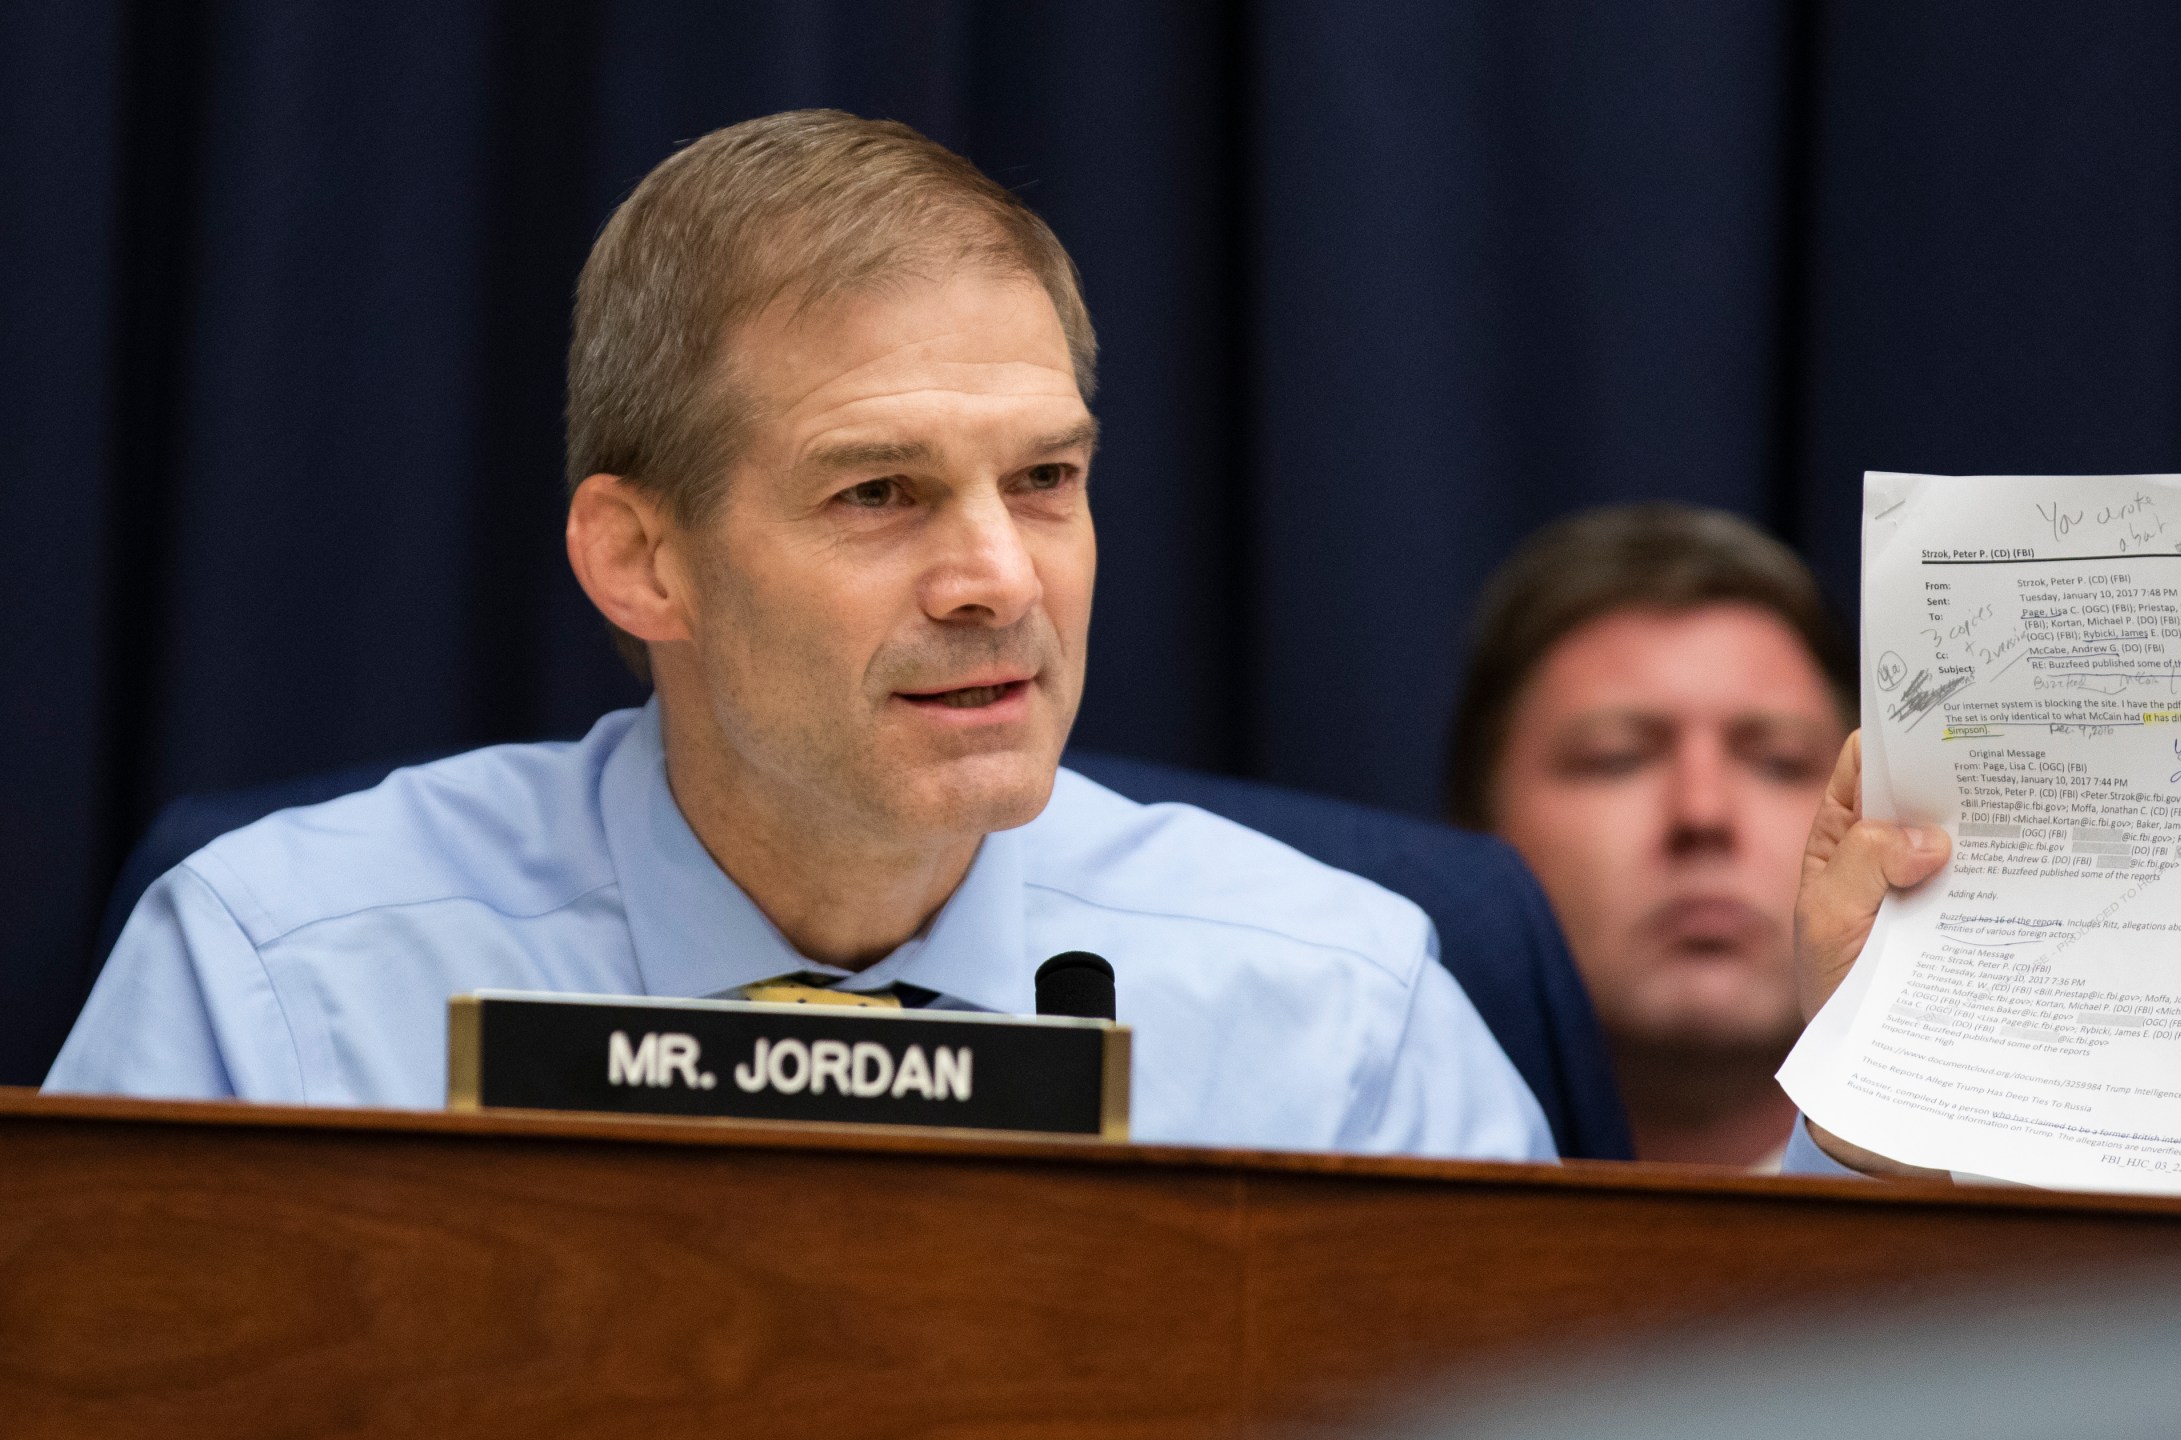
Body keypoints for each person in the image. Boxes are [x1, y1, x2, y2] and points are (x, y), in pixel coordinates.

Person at [47, 110, 1553, 1161]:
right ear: (640, 561)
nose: (996, 582)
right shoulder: (273, 979)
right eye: (879, 492)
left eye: (1045, 481)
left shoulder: (1340, 1009)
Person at [1447, 504, 1853, 1168]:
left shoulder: (2046, 1244)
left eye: (1778, 760)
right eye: (1616, 757)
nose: (1703, 812)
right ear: (1473, 827)